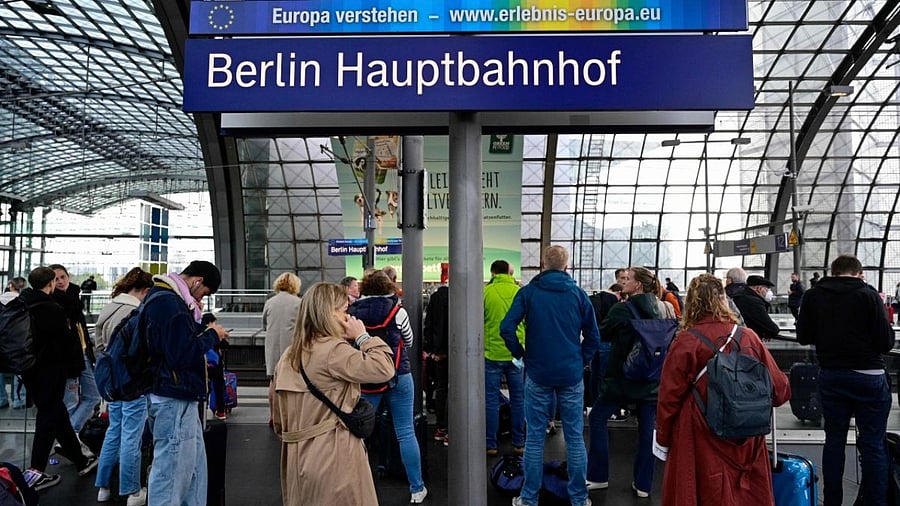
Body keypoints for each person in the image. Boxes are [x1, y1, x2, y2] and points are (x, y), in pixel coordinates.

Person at [655, 273, 790, 505]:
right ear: (723, 300)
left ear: (692, 304)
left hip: (700, 432)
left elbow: (669, 398)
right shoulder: (748, 337)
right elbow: (780, 390)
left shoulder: (686, 341)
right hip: (748, 435)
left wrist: (664, 439)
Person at [272, 282, 395, 505]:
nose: (349, 318)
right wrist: (363, 337)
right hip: (334, 453)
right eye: (345, 311)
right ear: (329, 314)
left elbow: (279, 417)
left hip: (296, 456)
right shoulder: (334, 351)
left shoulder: (289, 355)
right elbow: (384, 368)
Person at [501, 245, 600, 506]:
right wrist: (582, 359)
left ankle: (529, 498)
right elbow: (594, 336)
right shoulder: (579, 295)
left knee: (534, 437)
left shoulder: (529, 293)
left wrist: (521, 354)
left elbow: (506, 328)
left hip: (537, 372)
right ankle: (579, 499)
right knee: (575, 437)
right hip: (571, 373)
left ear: (542, 265)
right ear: (567, 267)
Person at [797, 254, 895, 506]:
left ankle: (832, 501)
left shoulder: (813, 295)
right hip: (869, 376)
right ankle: (876, 501)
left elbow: (803, 336)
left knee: (834, 440)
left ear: (834, 271)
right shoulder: (869, 295)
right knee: (873, 444)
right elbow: (885, 343)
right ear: (859, 273)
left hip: (832, 375)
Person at [143, 260, 229, 506]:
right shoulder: (170, 303)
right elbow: (180, 353)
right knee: (170, 475)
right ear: (197, 281)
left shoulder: (166, 299)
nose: (204, 298)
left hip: (177, 395)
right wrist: (213, 334)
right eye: (205, 293)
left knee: (192, 470)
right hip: (173, 396)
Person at [587, 266, 673, 498]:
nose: (623, 282)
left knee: (597, 418)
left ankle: (598, 476)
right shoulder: (664, 308)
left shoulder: (621, 310)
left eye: (628, 279)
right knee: (647, 430)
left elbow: (601, 334)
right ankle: (644, 485)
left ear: (638, 285)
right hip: (652, 381)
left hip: (621, 379)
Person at [349, 271, 428, 503]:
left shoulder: (353, 313)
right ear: (389, 287)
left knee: (358, 433)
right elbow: (410, 340)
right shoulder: (398, 311)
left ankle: (355, 484)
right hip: (398, 374)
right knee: (405, 431)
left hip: (366, 377)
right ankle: (417, 488)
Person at [20, 266, 98, 491]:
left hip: (30, 370)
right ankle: (35, 473)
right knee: (48, 418)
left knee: (58, 414)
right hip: (50, 370)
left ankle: (81, 461)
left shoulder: (24, 303)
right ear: (51, 284)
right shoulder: (52, 308)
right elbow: (66, 343)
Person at [93, 267, 154, 506]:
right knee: (132, 436)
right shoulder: (134, 311)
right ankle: (132, 490)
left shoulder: (108, 308)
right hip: (132, 381)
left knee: (114, 431)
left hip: (111, 382)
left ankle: (104, 486)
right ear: (145, 290)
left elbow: (98, 346)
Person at [50, 264, 101, 439]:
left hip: (83, 354)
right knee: (69, 402)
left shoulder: (74, 298)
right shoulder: (54, 303)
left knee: (94, 395)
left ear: (68, 277)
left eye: (63, 277)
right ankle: (69, 439)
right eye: (56, 279)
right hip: (67, 360)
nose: (60, 281)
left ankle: (69, 435)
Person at [483, 259, 525, 456]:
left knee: (490, 400)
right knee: (518, 399)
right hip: (517, 354)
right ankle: (519, 443)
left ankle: (491, 444)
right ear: (510, 272)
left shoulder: (485, 293)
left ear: (492, 273)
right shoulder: (521, 292)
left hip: (491, 353)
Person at [263, 272, 302, 426]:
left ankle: (273, 416)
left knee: (273, 380)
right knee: (290, 382)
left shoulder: (270, 302)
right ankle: (287, 418)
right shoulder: (298, 302)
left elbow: (264, 324)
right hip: (291, 346)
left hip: (272, 345)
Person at [423, 278, 449, 446]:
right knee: (459, 391)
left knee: (442, 388)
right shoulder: (469, 295)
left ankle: (441, 428)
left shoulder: (436, 297)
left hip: (439, 353)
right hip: (459, 351)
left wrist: (433, 351)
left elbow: (429, 324)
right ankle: (455, 429)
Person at [726, 270, 779, 342]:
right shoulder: (754, 302)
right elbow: (772, 328)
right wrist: (767, 332)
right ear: (759, 289)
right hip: (746, 341)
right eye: (767, 289)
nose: (768, 292)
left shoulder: (739, 296)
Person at [0, 277, 27, 409]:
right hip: (19, 343)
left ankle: (1, 398)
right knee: (20, 373)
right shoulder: (23, 302)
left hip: (1, 342)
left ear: (10, 285)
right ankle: (19, 399)